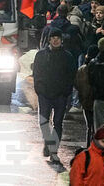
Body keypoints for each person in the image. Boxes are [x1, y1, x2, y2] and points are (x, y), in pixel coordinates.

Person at [32, 28, 77, 162]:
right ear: (49, 39)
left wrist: (66, 91)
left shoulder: (67, 56)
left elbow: (71, 75)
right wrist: (39, 89)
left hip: (60, 95)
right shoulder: (40, 55)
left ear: (61, 40)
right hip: (44, 94)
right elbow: (37, 73)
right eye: (53, 38)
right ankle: (48, 142)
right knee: (43, 121)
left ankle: (53, 150)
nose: (55, 40)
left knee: (58, 123)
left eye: (58, 37)